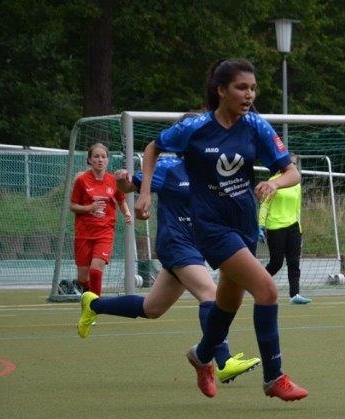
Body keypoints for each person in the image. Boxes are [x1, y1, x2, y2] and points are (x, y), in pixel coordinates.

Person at [135, 58, 307, 401]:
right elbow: (153, 148)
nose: (249, 94)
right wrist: (143, 193)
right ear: (222, 90)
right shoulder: (195, 128)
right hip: (211, 227)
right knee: (267, 291)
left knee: (227, 303)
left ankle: (201, 356)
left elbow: (292, 172)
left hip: (244, 225)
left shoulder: (256, 126)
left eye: (253, 88)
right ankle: (274, 377)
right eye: (242, 88)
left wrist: (274, 183)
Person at [75, 155, 261, 385]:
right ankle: (223, 361)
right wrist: (122, 179)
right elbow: (129, 185)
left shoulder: (214, 171)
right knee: (211, 295)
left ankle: (93, 304)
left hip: (196, 245)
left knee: (152, 308)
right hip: (175, 243)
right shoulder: (168, 169)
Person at [69, 143, 132, 295]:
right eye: (96, 156)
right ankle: (89, 296)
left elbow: (121, 200)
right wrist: (89, 208)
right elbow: (73, 206)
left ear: (107, 160)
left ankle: (96, 304)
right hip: (84, 233)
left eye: (103, 157)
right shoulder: (81, 180)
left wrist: (127, 213)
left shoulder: (112, 180)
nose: (100, 160)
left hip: (105, 232)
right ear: (89, 160)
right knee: (83, 278)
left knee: (96, 271)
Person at [260, 153, 310, 304]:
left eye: (295, 164)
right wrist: (261, 225)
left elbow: (297, 208)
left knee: (294, 262)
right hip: (275, 226)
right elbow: (265, 205)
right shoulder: (273, 182)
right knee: (276, 262)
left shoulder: (296, 184)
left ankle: (295, 295)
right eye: (290, 163)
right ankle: (256, 282)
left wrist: (299, 228)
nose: (293, 166)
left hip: (293, 226)